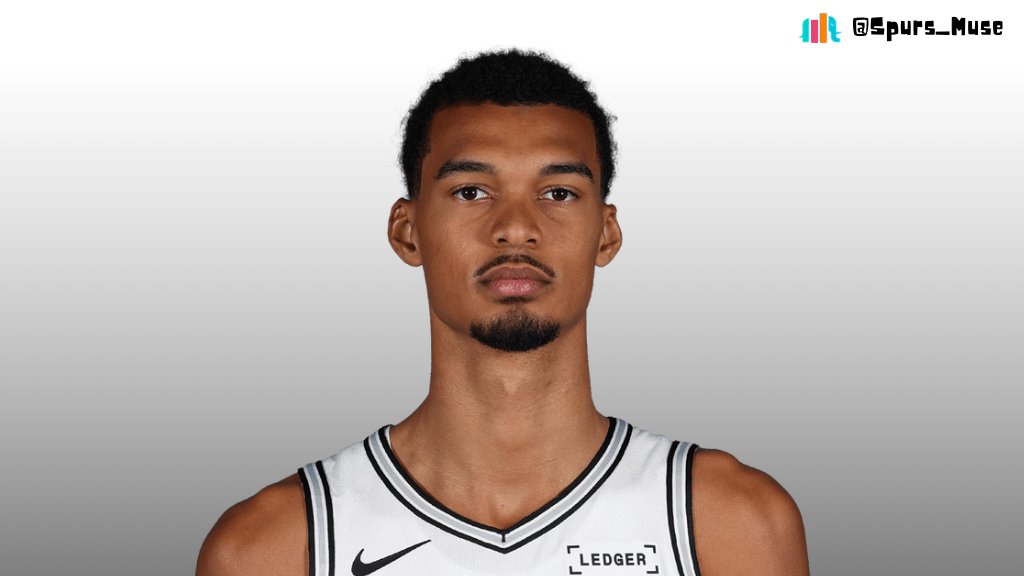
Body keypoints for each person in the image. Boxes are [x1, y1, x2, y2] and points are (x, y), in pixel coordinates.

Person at [196, 49, 809, 576]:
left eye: (558, 193)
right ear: (408, 231)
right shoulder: (273, 547)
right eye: (472, 191)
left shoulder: (729, 523)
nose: (516, 228)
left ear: (606, 234)